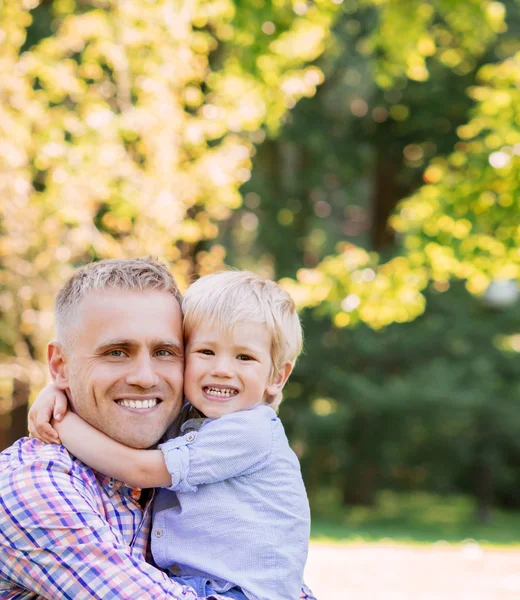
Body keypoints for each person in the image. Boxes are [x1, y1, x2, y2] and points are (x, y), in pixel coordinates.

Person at [0, 258, 316, 600]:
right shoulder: (31, 486)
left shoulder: (194, 434)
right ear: (60, 366)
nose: (146, 378)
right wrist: (58, 397)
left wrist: (61, 409)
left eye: (165, 352)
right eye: (116, 352)